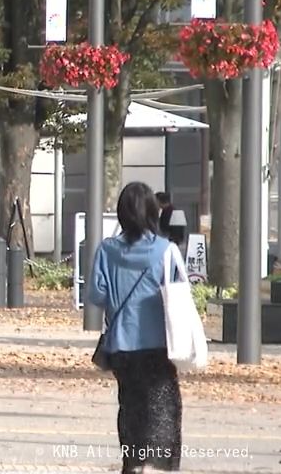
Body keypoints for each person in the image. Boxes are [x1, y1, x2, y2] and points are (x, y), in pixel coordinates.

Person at [89, 181, 182, 474]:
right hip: (158, 344)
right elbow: (181, 294)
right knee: (163, 409)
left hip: (121, 346)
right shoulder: (166, 251)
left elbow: (96, 294)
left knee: (131, 407)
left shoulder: (106, 250)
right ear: (153, 213)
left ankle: (133, 463)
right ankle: (155, 466)